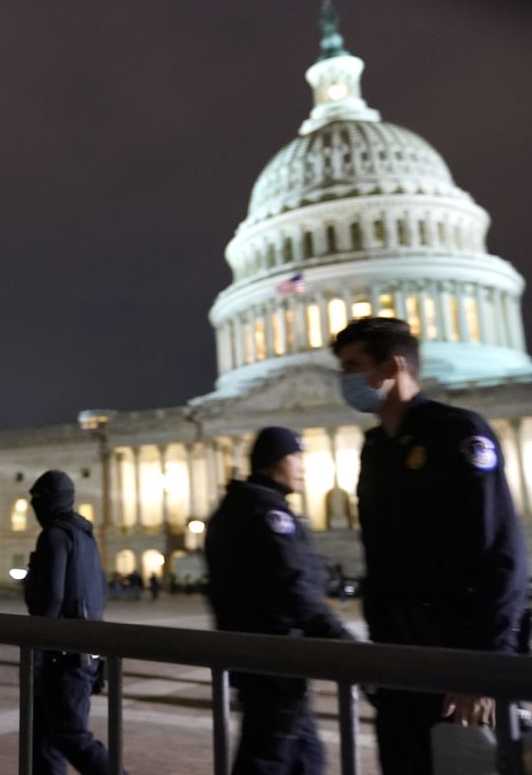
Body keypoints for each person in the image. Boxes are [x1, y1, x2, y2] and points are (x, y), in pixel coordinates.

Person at [333, 317, 528, 775]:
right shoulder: (375, 448)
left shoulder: (457, 432)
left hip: (455, 654)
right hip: (400, 661)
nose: (345, 381)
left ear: (393, 366)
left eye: (353, 366)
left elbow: (500, 557)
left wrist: (482, 668)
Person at [205, 426, 356, 774]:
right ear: (276, 461)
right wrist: (342, 641)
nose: (303, 466)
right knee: (269, 758)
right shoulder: (268, 514)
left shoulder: (233, 508)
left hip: (257, 656)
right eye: (296, 457)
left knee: (302, 757)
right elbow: (294, 587)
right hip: (275, 656)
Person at [23, 470, 123, 775]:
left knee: (70, 736)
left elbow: (50, 599)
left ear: (46, 502)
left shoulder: (54, 534)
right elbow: (99, 592)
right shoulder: (86, 535)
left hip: (59, 654)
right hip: (84, 649)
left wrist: (39, 646)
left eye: (36, 501)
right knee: (43, 739)